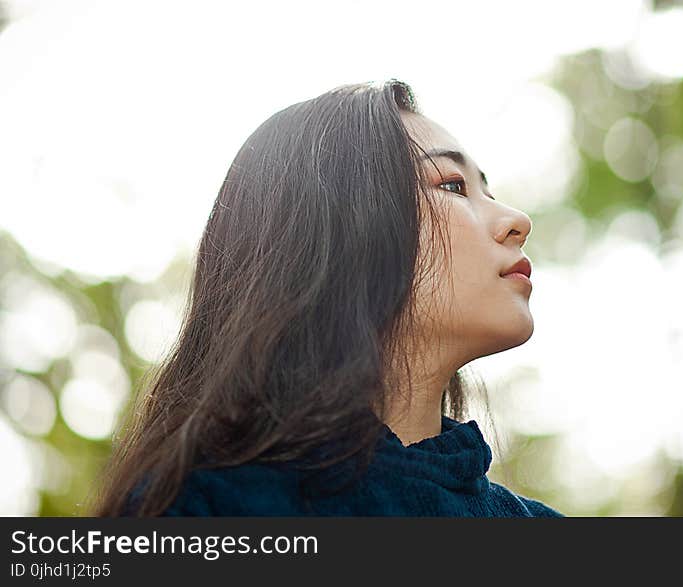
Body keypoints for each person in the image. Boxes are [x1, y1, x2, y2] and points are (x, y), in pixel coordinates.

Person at [89, 79, 563, 517]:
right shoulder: (205, 508)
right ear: (337, 236)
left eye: (489, 189)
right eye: (453, 186)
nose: (516, 219)